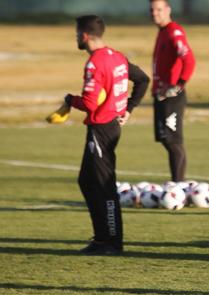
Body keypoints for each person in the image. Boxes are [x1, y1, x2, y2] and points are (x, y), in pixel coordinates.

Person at [63, 15, 149, 255]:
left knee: (103, 184)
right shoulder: (117, 57)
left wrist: (70, 101)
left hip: (101, 129)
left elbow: (90, 102)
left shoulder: (95, 63)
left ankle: (111, 242)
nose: (76, 37)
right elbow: (143, 80)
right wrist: (129, 108)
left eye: (77, 33)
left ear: (85, 35)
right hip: (111, 125)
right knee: (87, 180)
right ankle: (103, 238)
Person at [149, 0, 196, 181]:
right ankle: (177, 182)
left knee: (173, 141)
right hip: (160, 95)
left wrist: (179, 85)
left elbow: (189, 59)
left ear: (168, 10)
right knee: (166, 140)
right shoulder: (162, 32)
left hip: (171, 97)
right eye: (152, 10)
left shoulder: (173, 32)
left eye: (159, 10)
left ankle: (179, 185)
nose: (155, 13)